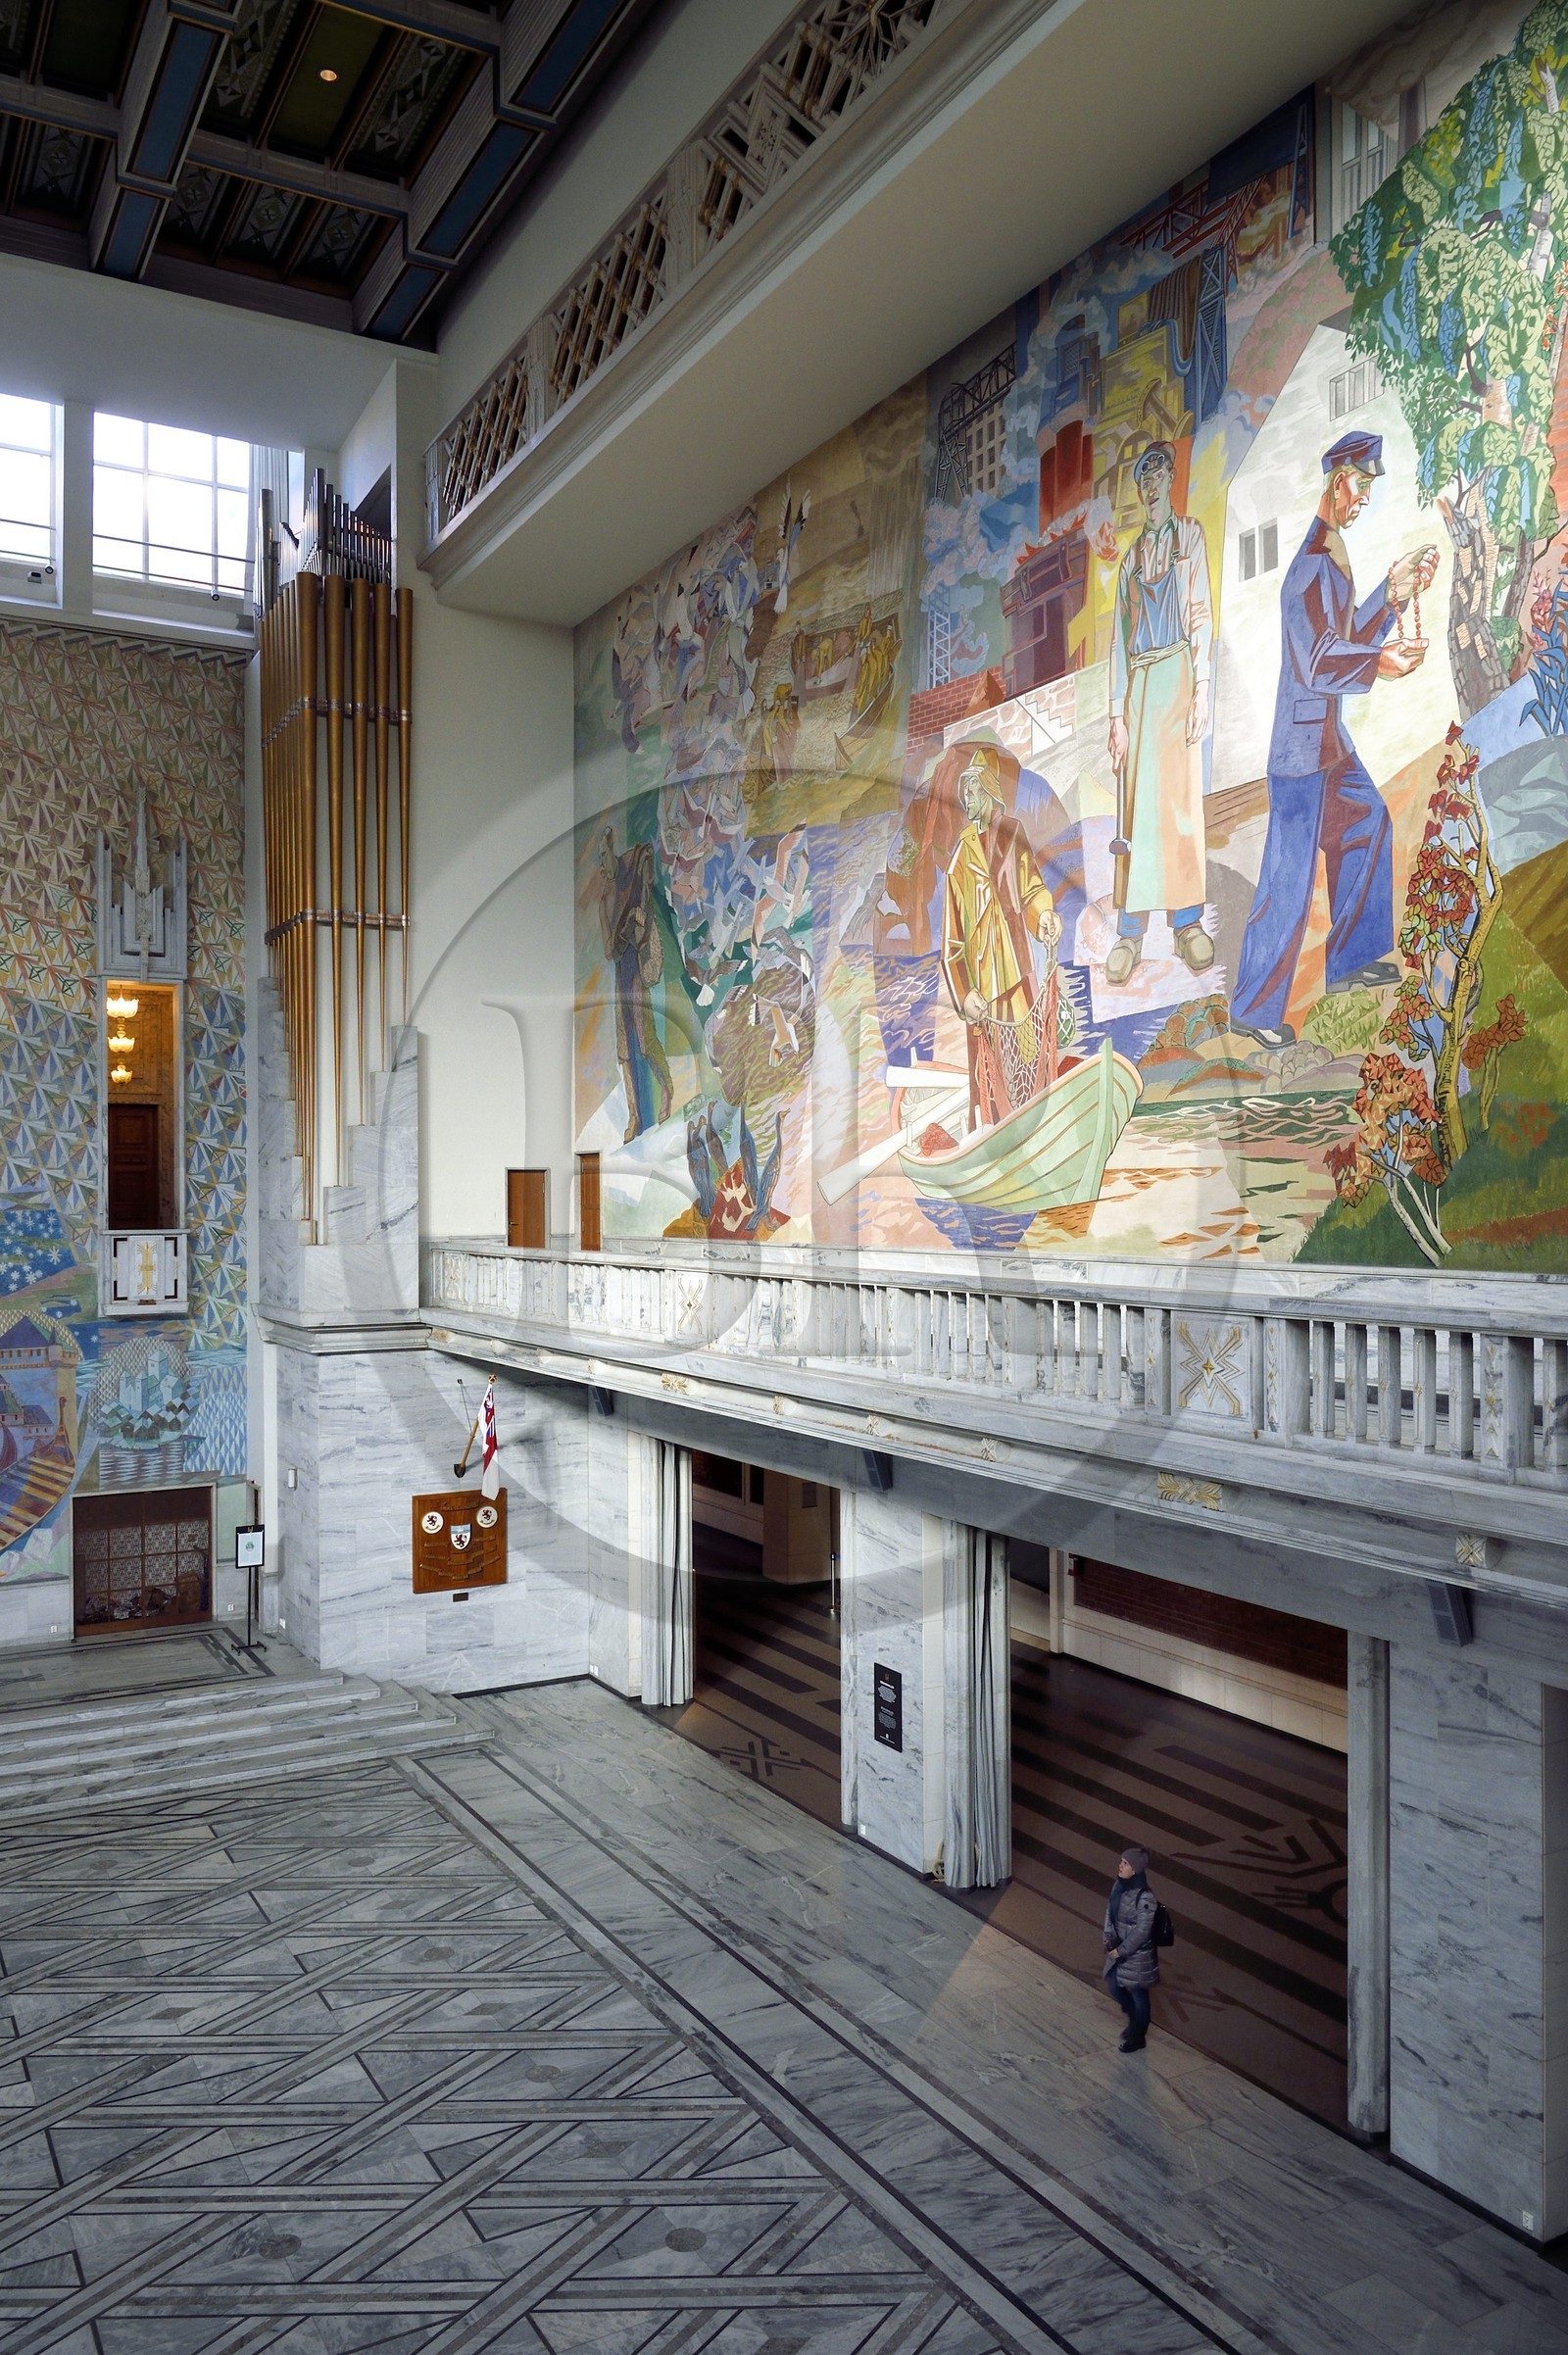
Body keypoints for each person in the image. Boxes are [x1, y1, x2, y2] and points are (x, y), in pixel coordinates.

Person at [1229, 430, 1440, 1048]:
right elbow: (1321, 661)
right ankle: (1253, 1010)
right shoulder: (1309, 567)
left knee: (1367, 822)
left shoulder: (1332, 555)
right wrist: (1382, 664)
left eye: (1369, 487)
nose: (1365, 499)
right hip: (1300, 754)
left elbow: (1345, 638)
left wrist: (1392, 596)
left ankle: (1351, 962)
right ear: (1337, 480)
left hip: (1327, 743)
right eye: (1361, 486)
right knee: (1287, 884)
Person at [1105, 441, 1214, 985]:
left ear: (1170, 478)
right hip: (1140, 688)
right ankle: (1129, 933)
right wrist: (1115, 717)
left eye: (1157, 474)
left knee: (1179, 807)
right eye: (1142, 478)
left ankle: (1187, 924)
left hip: (1179, 677)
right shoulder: (1130, 562)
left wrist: (1202, 690)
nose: (1150, 485)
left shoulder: (1189, 537)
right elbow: (1117, 643)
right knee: (1134, 813)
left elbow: (1201, 614)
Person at [939, 745, 1061, 1126]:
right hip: (983, 991)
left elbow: (1031, 891)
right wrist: (964, 994)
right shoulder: (960, 860)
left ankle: (1041, 1128)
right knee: (991, 1077)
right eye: (964, 790)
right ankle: (999, 1138)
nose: (966, 797)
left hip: (1018, 972)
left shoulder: (1012, 834)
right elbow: (952, 943)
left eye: (972, 789)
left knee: (1030, 1057)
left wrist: (1044, 915)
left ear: (989, 790)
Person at [596, 823, 673, 1142]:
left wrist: (637, 918)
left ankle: (666, 1088)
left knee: (644, 1037)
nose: (602, 865)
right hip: (621, 973)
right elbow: (608, 950)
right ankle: (633, 1114)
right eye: (599, 859)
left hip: (638, 965)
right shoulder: (605, 901)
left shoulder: (633, 867)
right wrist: (623, 927)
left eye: (604, 855)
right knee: (624, 1050)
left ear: (612, 850)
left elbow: (646, 911)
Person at [1102, 1841, 1159, 2053]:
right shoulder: (1119, 1886)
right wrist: (1107, 1936)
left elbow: (1142, 1931)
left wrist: (1121, 1950)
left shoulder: (1145, 1897)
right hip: (1118, 1948)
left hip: (1137, 1955)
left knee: (1138, 1995)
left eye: (1125, 1863)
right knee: (1114, 1986)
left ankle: (1138, 2036)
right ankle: (1135, 2019)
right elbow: (1110, 1912)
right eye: (1121, 1861)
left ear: (1135, 1869)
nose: (1120, 1865)